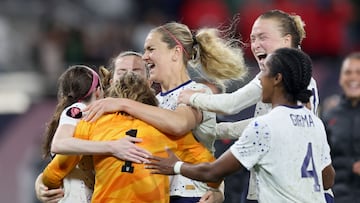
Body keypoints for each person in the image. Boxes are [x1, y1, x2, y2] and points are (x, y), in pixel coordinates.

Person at [83, 21, 247, 203]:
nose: (144, 57)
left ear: (175, 52)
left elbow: (179, 124)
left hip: (191, 196)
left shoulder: (198, 92)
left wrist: (123, 104)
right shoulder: (154, 102)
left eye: (151, 49)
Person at [147, 47, 335, 203]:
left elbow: (213, 172)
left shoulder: (264, 126)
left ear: (277, 79)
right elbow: (328, 179)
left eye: (264, 72)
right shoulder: (314, 123)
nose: (259, 79)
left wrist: (176, 166)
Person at [176, 9, 323, 202]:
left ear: (286, 41)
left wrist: (192, 98)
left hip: (288, 189)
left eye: (263, 37)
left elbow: (232, 105)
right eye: (253, 38)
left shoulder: (283, 76)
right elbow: (270, 125)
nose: (255, 45)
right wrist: (219, 130)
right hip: (292, 185)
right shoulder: (300, 79)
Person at [41, 71, 220, 202]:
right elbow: (211, 169)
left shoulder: (91, 123)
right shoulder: (169, 130)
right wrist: (216, 192)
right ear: (151, 97)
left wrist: (48, 185)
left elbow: (55, 171)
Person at [35, 56, 152, 202]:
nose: (129, 76)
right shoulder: (92, 112)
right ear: (110, 83)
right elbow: (60, 149)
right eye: (122, 72)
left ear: (150, 81)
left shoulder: (157, 114)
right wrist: (42, 183)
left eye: (136, 71)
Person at [322, 52, 360, 202]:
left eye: (358, 72)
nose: (353, 78)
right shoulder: (329, 116)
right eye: (348, 72)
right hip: (338, 196)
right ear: (340, 78)